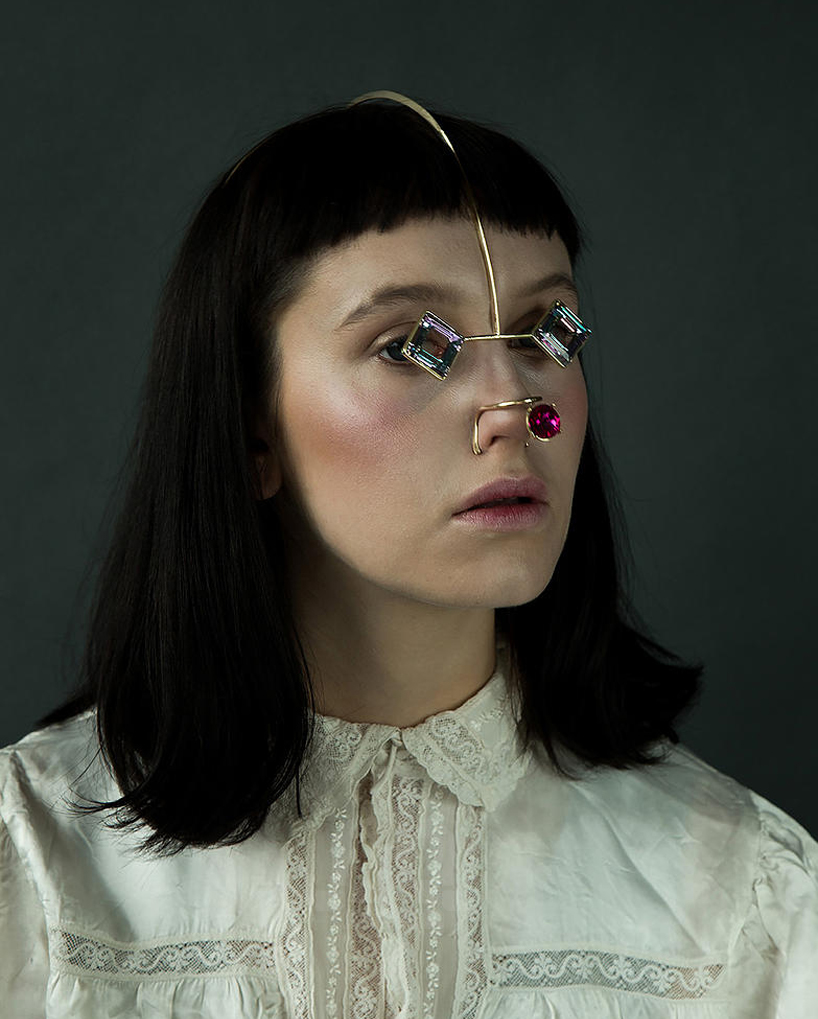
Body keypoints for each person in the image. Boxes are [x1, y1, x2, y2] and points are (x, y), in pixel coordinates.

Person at [0, 91, 815, 1019]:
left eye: (551, 333)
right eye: (414, 346)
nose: (512, 409)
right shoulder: (36, 866)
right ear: (251, 429)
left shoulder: (741, 899)